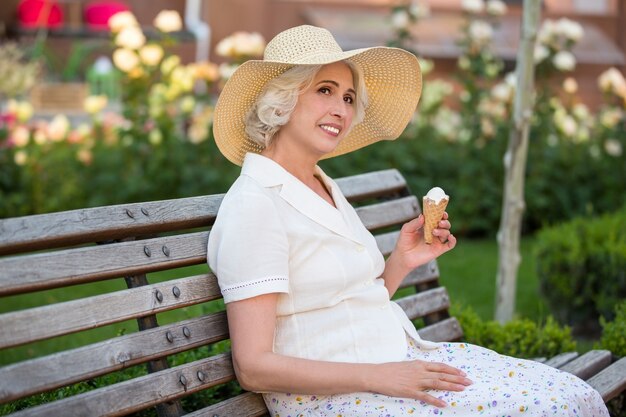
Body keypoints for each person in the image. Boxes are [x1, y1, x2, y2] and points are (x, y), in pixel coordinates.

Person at [207, 25, 608, 417]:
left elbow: (348, 300)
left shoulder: (320, 185)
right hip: (332, 397)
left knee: (573, 393)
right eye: (324, 90)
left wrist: (403, 259)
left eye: (348, 97)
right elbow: (253, 367)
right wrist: (382, 377)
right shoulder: (256, 204)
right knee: (552, 408)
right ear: (281, 100)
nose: (341, 109)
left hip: (392, 360)